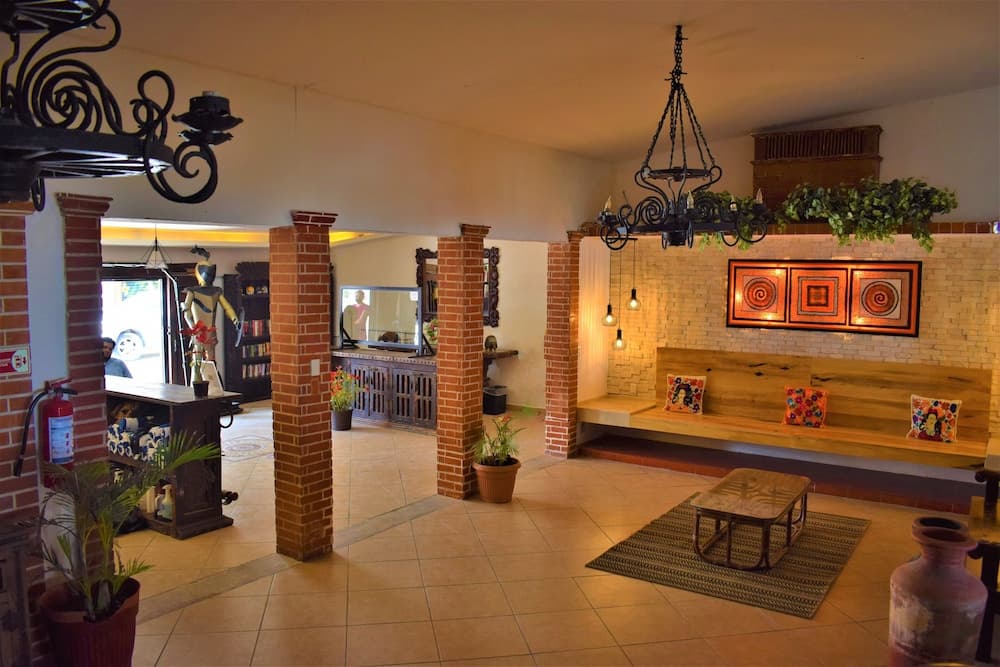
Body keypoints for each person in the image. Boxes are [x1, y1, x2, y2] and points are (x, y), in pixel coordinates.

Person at [181, 246, 240, 362]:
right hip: (198, 331)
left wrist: (235, 319)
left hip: (210, 332)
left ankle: (211, 374)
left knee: (211, 360)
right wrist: (193, 327)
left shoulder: (216, 291)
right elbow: (186, 311)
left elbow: (227, 307)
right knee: (197, 359)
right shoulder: (193, 291)